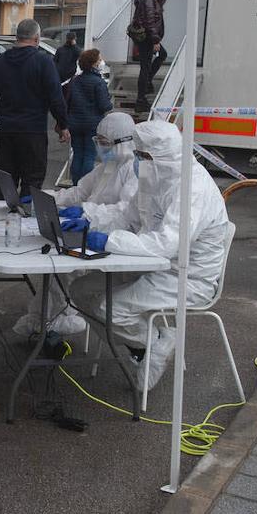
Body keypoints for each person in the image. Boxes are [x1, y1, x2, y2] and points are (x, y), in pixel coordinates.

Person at [68, 119, 231, 392]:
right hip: (151, 264)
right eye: (137, 154)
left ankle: (156, 341)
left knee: (110, 308)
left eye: (142, 156)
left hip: (186, 275)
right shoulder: (154, 175)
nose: (136, 160)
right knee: (81, 290)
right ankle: (141, 347)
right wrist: (89, 220)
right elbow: (127, 217)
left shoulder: (192, 187)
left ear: (162, 157)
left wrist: (109, 240)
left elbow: (167, 244)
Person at [16, 111, 137, 338]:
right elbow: (78, 191)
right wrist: (44, 198)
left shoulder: (134, 170)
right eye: (98, 141)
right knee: (53, 263)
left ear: (122, 143)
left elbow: (125, 211)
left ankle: (55, 320)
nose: (100, 147)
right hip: (89, 230)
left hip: (112, 239)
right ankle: (44, 319)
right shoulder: (107, 166)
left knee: (62, 267)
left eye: (104, 143)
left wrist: (87, 212)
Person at [0, 18, 70, 201]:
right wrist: (63, 125)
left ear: (17, 37)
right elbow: (56, 97)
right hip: (33, 130)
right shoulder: (43, 61)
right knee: (32, 178)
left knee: (5, 178)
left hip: (6, 129)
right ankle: (26, 216)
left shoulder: (0, 60)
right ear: (37, 38)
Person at [67, 48, 113, 185]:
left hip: (75, 123)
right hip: (93, 124)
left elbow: (68, 102)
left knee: (77, 154)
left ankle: (75, 184)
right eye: (99, 59)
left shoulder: (75, 81)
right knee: (89, 155)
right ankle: (85, 186)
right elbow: (104, 106)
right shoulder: (98, 83)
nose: (101, 62)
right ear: (93, 63)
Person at [132, 0, 169, 113]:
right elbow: (149, 20)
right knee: (146, 67)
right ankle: (140, 100)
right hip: (147, 38)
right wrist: (155, 40)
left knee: (153, 61)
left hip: (147, 37)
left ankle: (146, 84)